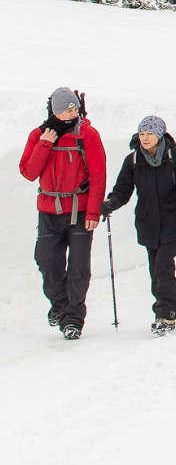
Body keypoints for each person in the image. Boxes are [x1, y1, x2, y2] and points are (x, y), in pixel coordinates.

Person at [18, 85, 106, 340]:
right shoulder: (38, 135)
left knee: (79, 269)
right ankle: (60, 305)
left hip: (78, 211)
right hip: (48, 211)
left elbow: (98, 176)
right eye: (67, 109)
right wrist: (45, 143)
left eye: (74, 109)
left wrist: (93, 214)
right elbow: (28, 172)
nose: (71, 113)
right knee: (46, 262)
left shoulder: (87, 134)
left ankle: (73, 320)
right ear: (55, 110)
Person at [100, 116, 176, 336]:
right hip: (148, 223)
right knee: (156, 268)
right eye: (142, 134)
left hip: (174, 219)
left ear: (160, 134)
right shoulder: (133, 160)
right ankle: (163, 310)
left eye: (150, 134)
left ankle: (166, 313)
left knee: (163, 264)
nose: (145, 138)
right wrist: (111, 203)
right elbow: (123, 189)